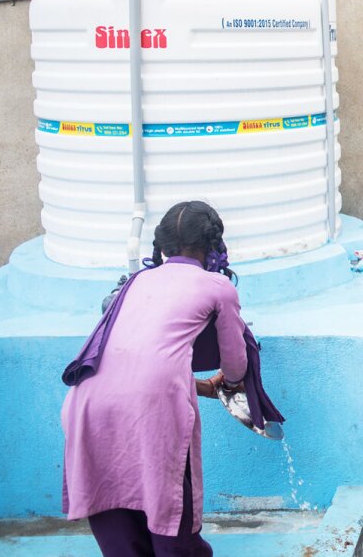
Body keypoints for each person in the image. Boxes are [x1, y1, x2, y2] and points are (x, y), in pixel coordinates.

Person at [61, 201, 248, 556]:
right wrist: (233, 384)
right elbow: (235, 367)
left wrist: (202, 388)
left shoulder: (135, 282)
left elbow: (131, 367)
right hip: (154, 411)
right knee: (172, 521)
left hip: (86, 401)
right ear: (213, 246)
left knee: (117, 519)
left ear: (162, 245)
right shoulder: (217, 287)